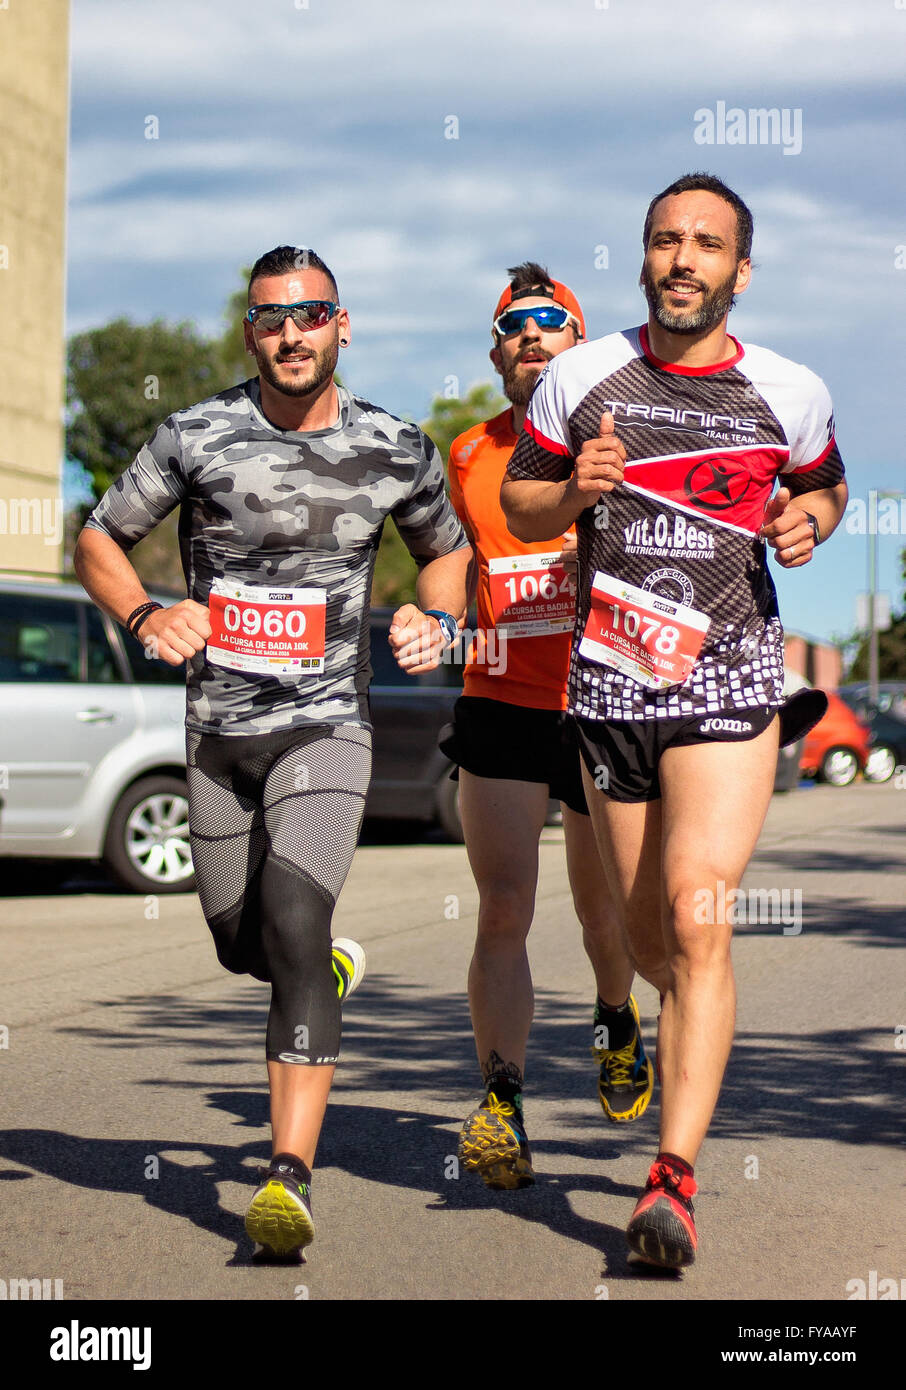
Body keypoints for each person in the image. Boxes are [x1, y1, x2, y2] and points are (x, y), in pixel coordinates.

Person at [74, 246, 471, 1258]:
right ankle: (318, 967)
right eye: (270, 318)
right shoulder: (195, 434)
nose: (290, 333)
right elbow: (98, 537)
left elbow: (450, 550)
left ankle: (286, 1173)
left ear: (345, 324)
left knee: (295, 915)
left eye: (311, 314)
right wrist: (144, 610)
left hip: (329, 719)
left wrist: (437, 617)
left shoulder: (394, 444)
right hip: (219, 732)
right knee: (242, 939)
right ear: (250, 331)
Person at [501, 175, 848, 1266]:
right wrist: (573, 492)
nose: (682, 259)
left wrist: (810, 521)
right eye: (664, 241)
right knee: (649, 936)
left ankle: (671, 1182)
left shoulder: (789, 391)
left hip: (731, 679)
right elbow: (521, 503)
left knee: (702, 918)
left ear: (740, 271)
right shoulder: (581, 378)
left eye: (706, 245)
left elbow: (827, 486)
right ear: (643, 258)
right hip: (611, 684)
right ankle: (662, 1020)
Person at [442, 263, 652, 1193]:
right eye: (515, 327)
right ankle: (502, 1102)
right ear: (497, 353)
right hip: (499, 700)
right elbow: (452, 561)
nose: (532, 337)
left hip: (599, 703)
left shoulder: (620, 439)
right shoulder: (467, 454)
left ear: (580, 343)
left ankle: (615, 1016)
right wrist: (435, 614)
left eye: (551, 324)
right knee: (502, 907)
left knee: (602, 909)